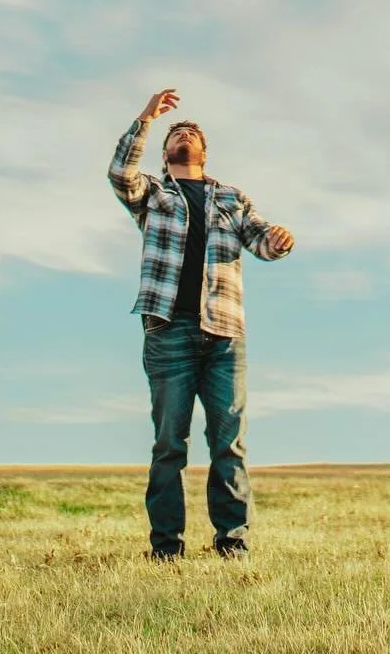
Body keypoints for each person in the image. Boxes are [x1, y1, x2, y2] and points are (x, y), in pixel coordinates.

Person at [108, 86, 295, 560]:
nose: (184, 134)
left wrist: (281, 240)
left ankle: (232, 544)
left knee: (228, 441)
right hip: (168, 330)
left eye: (192, 132)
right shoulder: (151, 193)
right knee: (170, 443)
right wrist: (147, 118)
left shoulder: (231, 198)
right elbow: (120, 173)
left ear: (204, 153)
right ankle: (166, 548)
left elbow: (263, 245)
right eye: (178, 133)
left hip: (224, 335)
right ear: (168, 151)